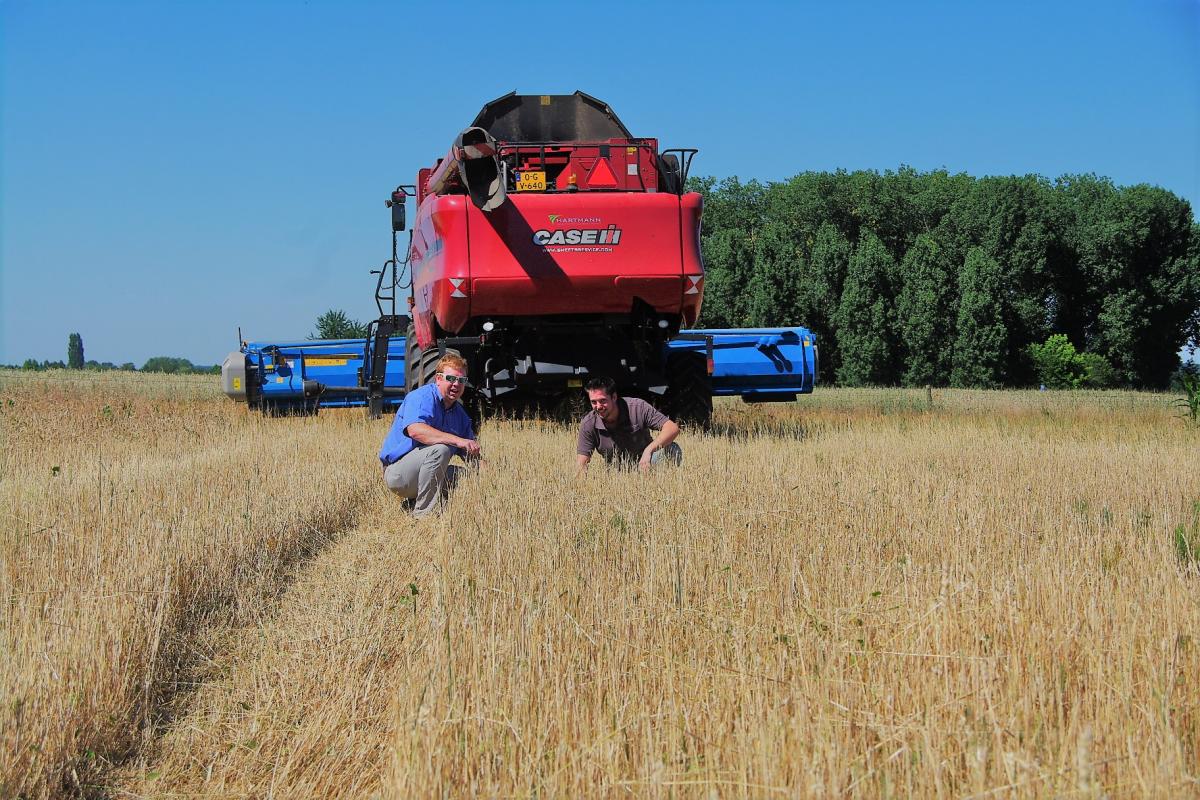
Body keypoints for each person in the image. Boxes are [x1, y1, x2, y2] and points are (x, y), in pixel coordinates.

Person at [379, 353, 481, 517]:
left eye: (461, 380)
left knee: (469, 477)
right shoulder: (421, 397)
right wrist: (457, 440)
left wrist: (493, 477)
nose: (456, 384)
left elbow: (471, 454)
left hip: (423, 471)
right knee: (441, 450)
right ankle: (424, 515)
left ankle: (414, 502)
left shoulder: (460, 414)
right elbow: (416, 430)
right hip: (399, 474)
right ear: (438, 379)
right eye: (451, 379)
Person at [576, 376, 682, 474]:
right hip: (617, 474)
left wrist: (648, 451)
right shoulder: (588, 424)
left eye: (603, 401)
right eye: (594, 402)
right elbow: (581, 464)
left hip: (647, 465)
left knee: (672, 449)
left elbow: (672, 428)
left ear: (614, 397)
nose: (598, 406)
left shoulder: (637, 407)